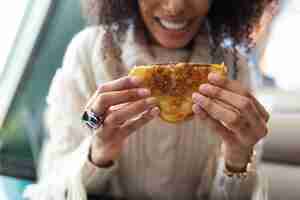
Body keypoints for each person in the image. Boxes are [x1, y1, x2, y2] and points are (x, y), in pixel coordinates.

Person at [24, 0, 276, 199]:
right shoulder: (87, 52)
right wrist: (98, 150)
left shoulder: (235, 68)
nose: (175, 6)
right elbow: (51, 188)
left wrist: (238, 157)